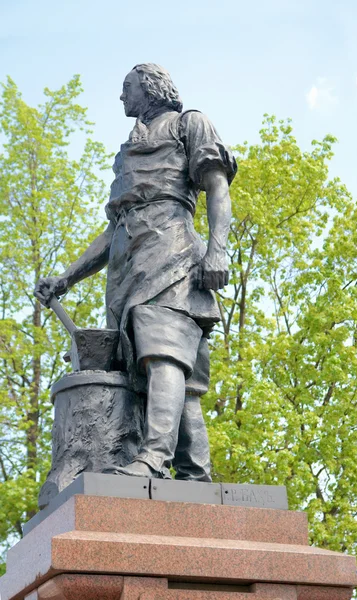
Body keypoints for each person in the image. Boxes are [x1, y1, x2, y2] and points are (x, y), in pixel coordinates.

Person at [34, 63, 237, 481]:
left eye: (126, 87)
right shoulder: (126, 151)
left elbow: (217, 186)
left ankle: (151, 458)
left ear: (150, 87)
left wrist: (217, 251)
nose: (121, 96)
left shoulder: (189, 124)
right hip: (128, 266)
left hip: (172, 253)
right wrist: (68, 277)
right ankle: (195, 472)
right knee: (169, 369)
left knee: (164, 353)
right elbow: (114, 230)